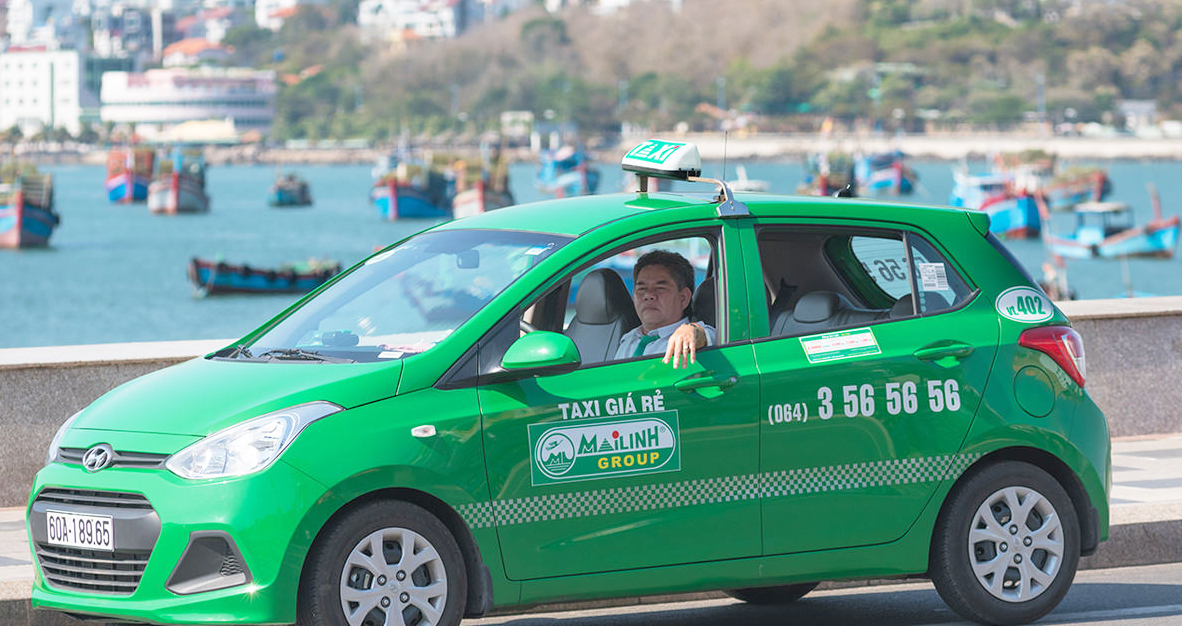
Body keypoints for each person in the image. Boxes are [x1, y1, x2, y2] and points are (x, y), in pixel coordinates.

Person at [614, 250, 716, 368]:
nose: (648, 295)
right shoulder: (628, 339)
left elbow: (704, 335)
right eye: (641, 288)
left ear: (683, 298)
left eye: (660, 288)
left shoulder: (689, 338)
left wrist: (692, 330)